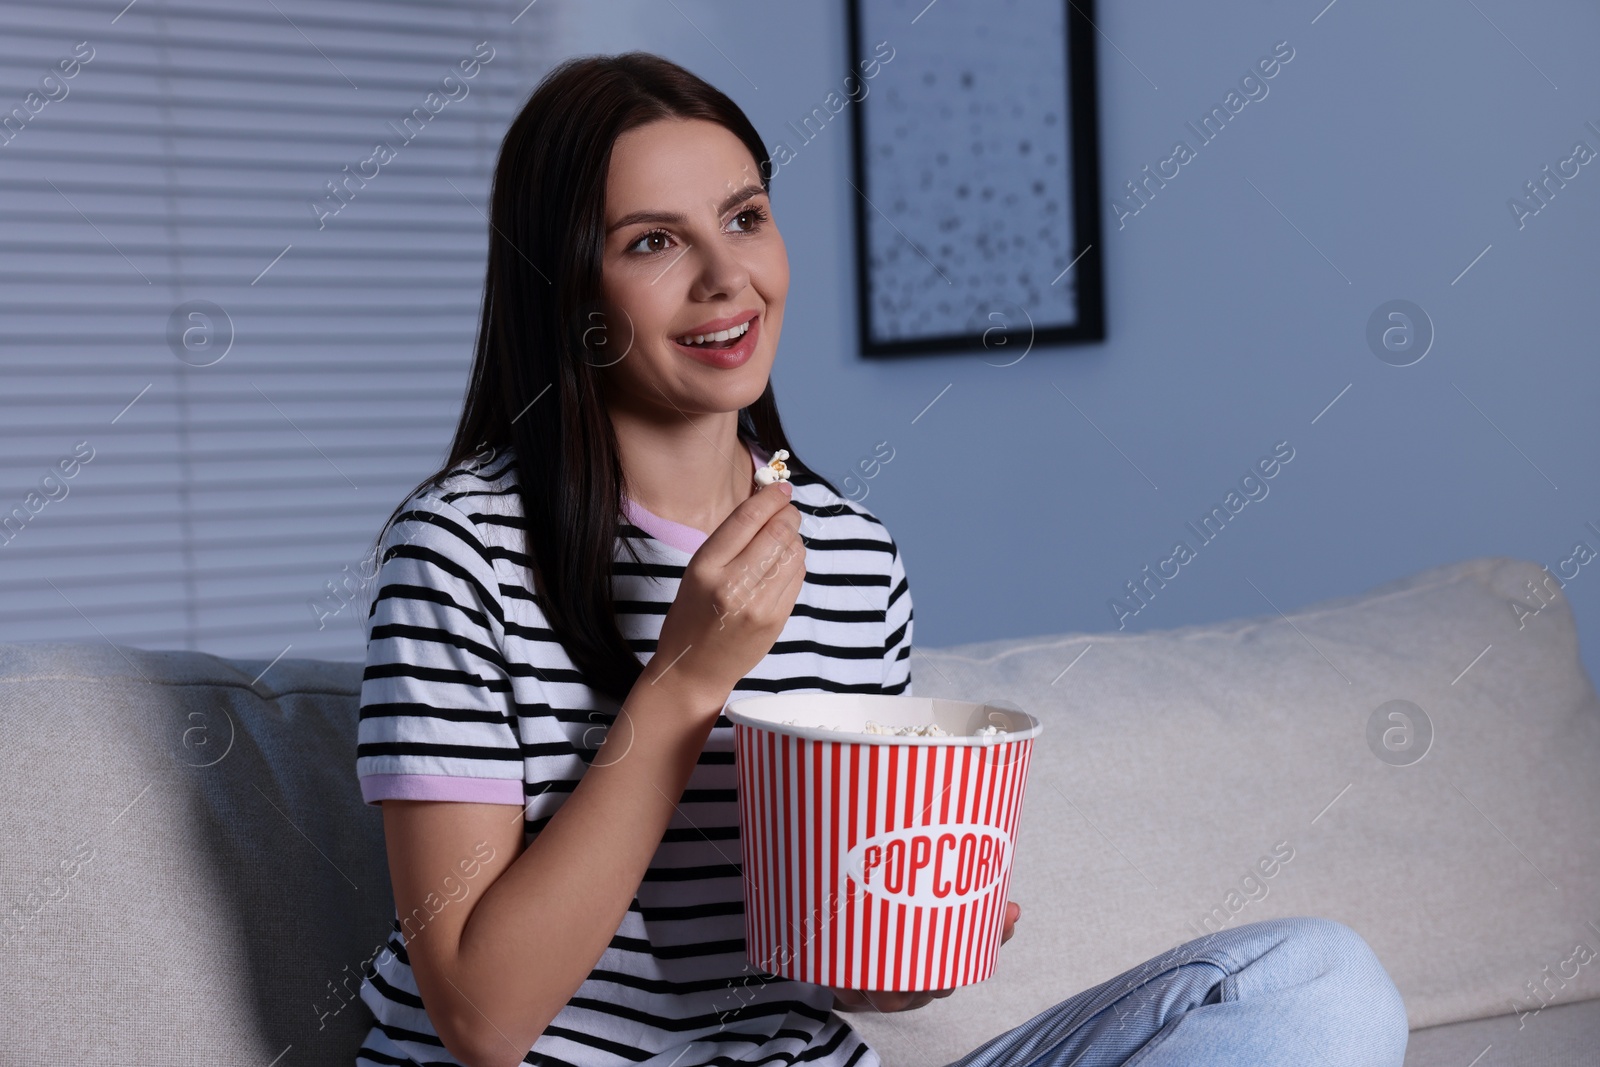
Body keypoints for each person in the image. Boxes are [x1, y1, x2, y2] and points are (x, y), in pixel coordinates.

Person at [351, 51, 1409, 1067]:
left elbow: (815, 954)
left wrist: (905, 934)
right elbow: (481, 1018)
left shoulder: (851, 553)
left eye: (744, 218)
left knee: (1316, 985)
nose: (728, 277)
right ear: (567, 293)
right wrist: (686, 679)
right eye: (651, 242)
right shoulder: (461, 550)